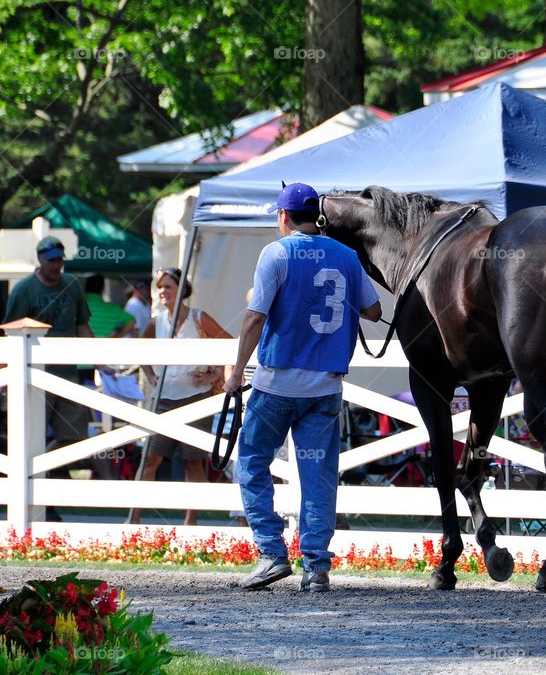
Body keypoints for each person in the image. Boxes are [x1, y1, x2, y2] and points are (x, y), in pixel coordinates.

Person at [224, 182, 381, 593]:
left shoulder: (274, 254)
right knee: (318, 475)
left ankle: (272, 553)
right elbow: (374, 310)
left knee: (252, 463)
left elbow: (255, 318)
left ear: (283, 216)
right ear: (318, 217)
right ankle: (316, 566)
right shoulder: (346, 256)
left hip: (276, 382)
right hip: (325, 385)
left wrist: (235, 370)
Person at [2, 237, 105, 515]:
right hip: (31, 375)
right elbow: (10, 332)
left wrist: (100, 359)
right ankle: (31, 488)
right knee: (27, 436)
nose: (56, 264)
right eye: (51, 259)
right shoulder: (24, 289)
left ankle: (29, 472)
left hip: (67, 374)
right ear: (40, 259)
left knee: (74, 435)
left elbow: (82, 325)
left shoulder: (72, 284)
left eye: (59, 258)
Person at [129, 267, 232, 526]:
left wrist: (214, 373)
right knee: (150, 458)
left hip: (196, 397)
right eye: (160, 286)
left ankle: (190, 521)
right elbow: (140, 349)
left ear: (181, 290)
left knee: (193, 462)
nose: (163, 291)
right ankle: (134, 518)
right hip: (164, 399)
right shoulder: (156, 321)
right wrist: (151, 377)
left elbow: (230, 344)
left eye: (168, 286)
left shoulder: (199, 318)